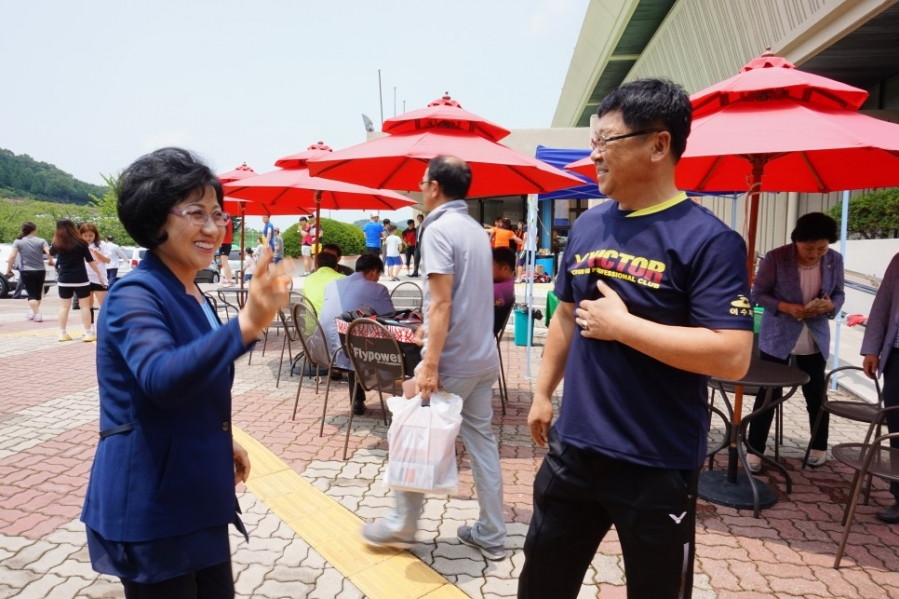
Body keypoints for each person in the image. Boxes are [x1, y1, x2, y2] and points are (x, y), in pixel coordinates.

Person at [519, 79, 753, 599]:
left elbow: (733, 355)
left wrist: (624, 327)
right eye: (592, 142)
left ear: (658, 144)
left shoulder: (709, 241)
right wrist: (542, 392)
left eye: (607, 140)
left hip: (656, 461)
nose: (594, 155)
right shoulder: (587, 228)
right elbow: (564, 314)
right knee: (541, 582)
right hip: (574, 449)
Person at [80, 147, 291, 598]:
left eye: (218, 214)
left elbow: (195, 378)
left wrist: (218, 437)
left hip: (198, 493)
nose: (213, 228)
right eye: (196, 213)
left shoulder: (193, 290)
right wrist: (247, 324)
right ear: (157, 220)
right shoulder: (134, 294)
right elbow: (160, 377)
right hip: (152, 505)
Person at [362, 155, 507, 562]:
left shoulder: (438, 229)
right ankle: (493, 534)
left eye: (422, 182)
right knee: (482, 443)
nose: (420, 189)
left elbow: (442, 302)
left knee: (412, 427)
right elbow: (462, 297)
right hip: (483, 359)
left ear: (435, 187)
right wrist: (430, 323)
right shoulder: (478, 230)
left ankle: (403, 521)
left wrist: (429, 363)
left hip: (454, 360)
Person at [746, 212, 845, 472]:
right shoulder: (776, 258)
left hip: (814, 337)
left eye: (821, 248)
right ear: (796, 241)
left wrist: (831, 305)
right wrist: (785, 306)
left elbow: (839, 293)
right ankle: (755, 449)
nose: (814, 254)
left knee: (816, 395)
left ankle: (819, 446)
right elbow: (757, 294)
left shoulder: (834, 260)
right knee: (768, 395)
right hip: (778, 336)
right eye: (808, 247)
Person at [318, 254, 395, 415]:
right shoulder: (378, 289)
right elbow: (390, 319)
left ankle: (357, 399)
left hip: (322, 349)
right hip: (351, 351)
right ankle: (402, 398)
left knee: (352, 336)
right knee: (364, 340)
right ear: (374, 272)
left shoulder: (332, 285)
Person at [861, 252, 899, 523]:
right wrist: (871, 349)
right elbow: (882, 306)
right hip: (896, 357)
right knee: (896, 429)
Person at [51, 219, 106, 342]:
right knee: (85, 306)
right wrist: (99, 274)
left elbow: (50, 253)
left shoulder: (57, 243)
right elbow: (90, 260)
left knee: (64, 307)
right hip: (81, 279)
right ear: (73, 229)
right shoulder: (81, 243)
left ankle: (62, 333)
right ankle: (88, 333)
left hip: (64, 279)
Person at [5, 222, 54, 321]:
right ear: (34, 230)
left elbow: (12, 256)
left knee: (31, 294)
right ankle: (33, 312)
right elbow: (49, 252)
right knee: (37, 294)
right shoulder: (41, 241)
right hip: (40, 270)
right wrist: (51, 261)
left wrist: (9, 268)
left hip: (27, 271)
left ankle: (37, 314)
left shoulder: (18, 242)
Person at [79, 223, 112, 329]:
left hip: (100, 278)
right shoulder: (79, 245)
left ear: (95, 235)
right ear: (81, 235)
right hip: (84, 278)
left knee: (104, 305)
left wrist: (96, 253)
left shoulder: (101, 245)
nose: (88, 238)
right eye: (85, 236)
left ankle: (105, 327)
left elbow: (107, 260)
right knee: (88, 305)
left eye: (91, 235)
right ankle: (90, 327)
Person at [492, 246, 516, 336]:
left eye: (491, 266)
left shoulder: (497, 289)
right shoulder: (508, 285)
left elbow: (498, 302)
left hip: (481, 332)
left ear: (505, 269)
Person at [216, 219, 236, 285]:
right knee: (224, 262)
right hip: (226, 242)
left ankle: (229, 279)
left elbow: (223, 231)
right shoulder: (228, 220)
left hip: (225, 243)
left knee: (224, 261)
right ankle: (228, 279)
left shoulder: (225, 220)